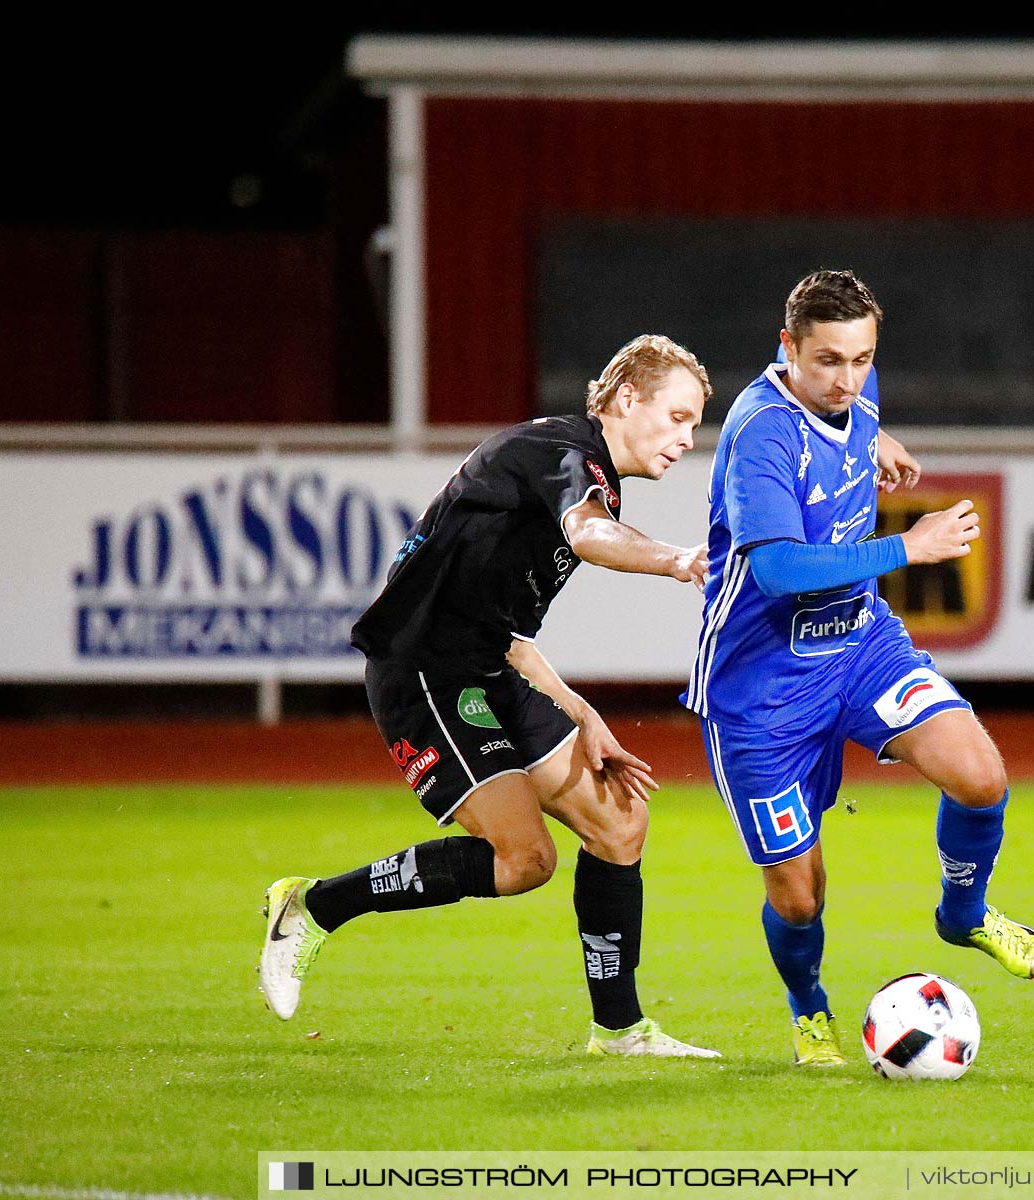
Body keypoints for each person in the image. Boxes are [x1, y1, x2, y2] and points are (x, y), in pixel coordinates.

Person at [259, 334, 720, 1059]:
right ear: (629, 398)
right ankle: (314, 906)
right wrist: (677, 560)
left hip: (483, 668)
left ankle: (621, 1030)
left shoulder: (580, 469)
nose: (688, 440)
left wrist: (584, 714)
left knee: (621, 822)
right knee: (523, 859)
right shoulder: (564, 454)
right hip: (424, 673)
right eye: (680, 417)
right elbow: (591, 533)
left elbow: (507, 631)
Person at [684, 270, 1034, 1067]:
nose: (848, 379)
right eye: (827, 362)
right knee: (800, 895)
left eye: (862, 361)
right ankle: (809, 1008)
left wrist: (875, 435)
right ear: (786, 348)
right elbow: (780, 571)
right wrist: (909, 545)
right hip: (762, 691)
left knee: (980, 775)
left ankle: (964, 914)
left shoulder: (853, 386)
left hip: (860, 646)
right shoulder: (761, 435)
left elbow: (854, 409)